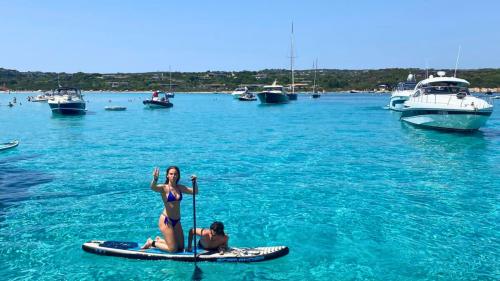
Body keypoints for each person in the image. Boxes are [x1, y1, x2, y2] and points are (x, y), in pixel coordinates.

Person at [141, 166, 198, 252]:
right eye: (171, 174)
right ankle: (151, 242)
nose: (173, 176)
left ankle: (160, 240)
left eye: (175, 174)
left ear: (178, 176)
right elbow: (153, 187)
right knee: (173, 250)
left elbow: (195, 192)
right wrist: (155, 179)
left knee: (181, 247)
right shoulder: (164, 188)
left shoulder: (180, 187)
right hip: (166, 221)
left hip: (177, 221)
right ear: (167, 175)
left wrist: (195, 182)